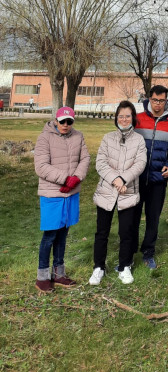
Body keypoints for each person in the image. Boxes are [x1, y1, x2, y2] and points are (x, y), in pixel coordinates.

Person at [89, 102, 147, 286]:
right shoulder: (107, 138)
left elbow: (140, 163)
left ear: (133, 118)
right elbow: (101, 163)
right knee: (102, 232)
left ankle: (125, 266)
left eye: (127, 116)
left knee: (127, 232)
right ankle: (98, 267)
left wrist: (124, 179)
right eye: (121, 116)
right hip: (107, 191)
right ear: (116, 118)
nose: (124, 119)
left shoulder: (139, 140)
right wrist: (116, 179)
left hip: (128, 191)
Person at [34, 107, 90, 293]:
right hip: (53, 193)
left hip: (71, 193)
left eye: (69, 121)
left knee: (63, 234)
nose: (66, 125)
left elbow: (85, 159)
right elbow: (41, 166)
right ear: (56, 120)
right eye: (62, 121)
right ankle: (42, 276)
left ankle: (59, 274)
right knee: (50, 235)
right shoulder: (44, 137)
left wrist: (76, 178)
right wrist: (65, 178)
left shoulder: (78, 136)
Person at [132, 84, 168, 270]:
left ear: (166, 101)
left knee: (153, 218)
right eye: (154, 100)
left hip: (158, 179)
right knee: (133, 216)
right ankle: (129, 249)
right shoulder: (138, 119)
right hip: (137, 177)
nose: (158, 104)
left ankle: (148, 253)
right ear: (149, 99)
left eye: (162, 101)